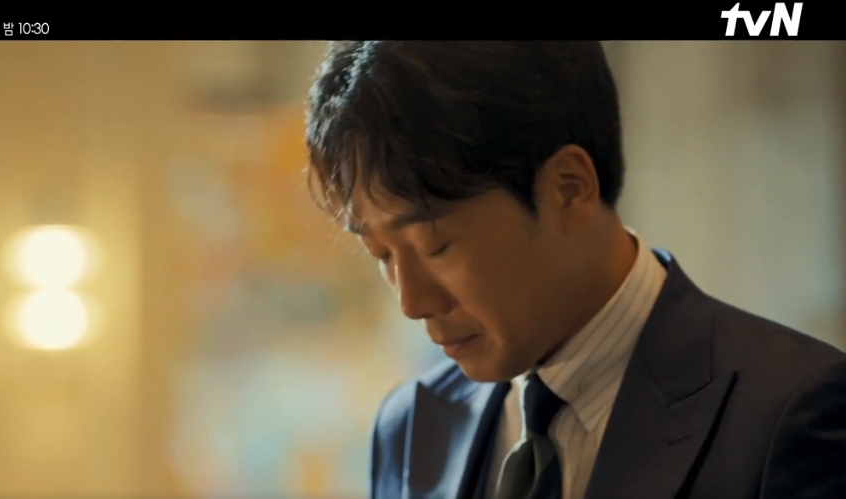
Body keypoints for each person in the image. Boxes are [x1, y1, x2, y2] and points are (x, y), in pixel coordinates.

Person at [302, 41, 846, 499]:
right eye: (381, 254)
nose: (412, 302)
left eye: (435, 245)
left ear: (568, 189)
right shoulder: (411, 426)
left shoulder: (789, 414)